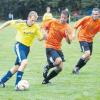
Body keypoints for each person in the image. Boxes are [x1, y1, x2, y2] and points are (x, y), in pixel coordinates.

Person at [0, 11, 45, 90]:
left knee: (17, 67)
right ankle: (17, 85)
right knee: (24, 62)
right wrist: (1, 28)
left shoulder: (36, 27)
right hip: (19, 45)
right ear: (28, 18)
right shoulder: (21, 23)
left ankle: (1, 81)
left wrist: (44, 36)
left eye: (35, 20)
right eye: (32, 20)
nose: (33, 22)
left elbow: (40, 38)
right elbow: (9, 22)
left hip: (26, 49)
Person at [41, 10, 75, 84]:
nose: (63, 19)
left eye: (65, 18)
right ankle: (47, 67)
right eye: (62, 17)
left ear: (67, 18)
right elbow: (43, 27)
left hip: (58, 48)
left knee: (60, 68)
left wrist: (67, 37)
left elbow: (69, 42)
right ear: (60, 16)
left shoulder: (67, 27)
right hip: (49, 46)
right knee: (58, 60)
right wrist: (45, 34)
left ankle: (46, 80)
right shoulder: (53, 21)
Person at [72, 8, 100, 74]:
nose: (94, 15)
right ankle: (75, 68)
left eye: (96, 14)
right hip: (82, 37)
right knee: (87, 53)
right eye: (93, 14)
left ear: (99, 14)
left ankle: (77, 68)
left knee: (88, 57)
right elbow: (76, 26)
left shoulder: (99, 22)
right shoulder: (86, 18)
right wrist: (73, 33)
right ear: (92, 14)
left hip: (90, 40)